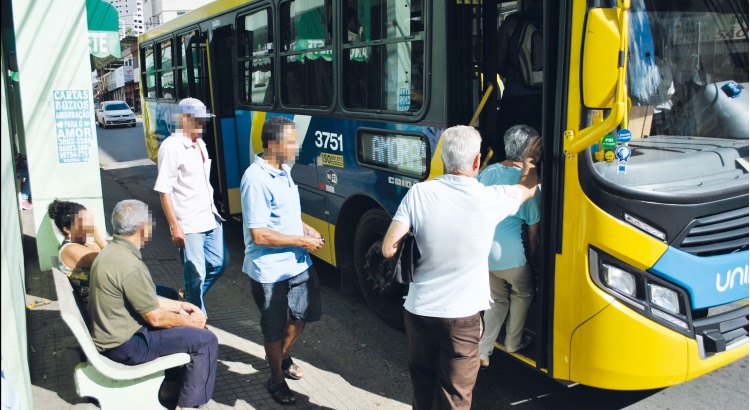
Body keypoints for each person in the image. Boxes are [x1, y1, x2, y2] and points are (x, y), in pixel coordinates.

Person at [382, 125, 541, 409]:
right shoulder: (489, 198)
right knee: (454, 397)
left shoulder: (419, 193)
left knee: (423, 389)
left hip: (418, 312)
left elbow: (388, 248)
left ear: (443, 158)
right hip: (461, 320)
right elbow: (528, 187)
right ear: (477, 161)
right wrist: (530, 162)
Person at [88, 199, 218, 410]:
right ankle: (188, 406)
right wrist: (190, 321)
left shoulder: (112, 252)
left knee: (175, 309)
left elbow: (144, 297)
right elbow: (155, 318)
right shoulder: (129, 264)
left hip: (114, 336)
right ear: (142, 229)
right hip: (126, 345)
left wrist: (178, 307)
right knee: (205, 340)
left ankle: (170, 387)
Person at [240, 116, 324, 406]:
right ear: (274, 144)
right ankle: (275, 379)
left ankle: (280, 354)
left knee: (302, 316)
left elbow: (284, 216)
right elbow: (259, 234)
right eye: (291, 142)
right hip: (270, 272)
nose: (296, 147)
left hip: (298, 264)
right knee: (273, 328)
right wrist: (302, 241)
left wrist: (304, 228)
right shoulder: (255, 179)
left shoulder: (284, 169)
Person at [154, 97, 229, 314]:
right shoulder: (171, 147)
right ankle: (197, 321)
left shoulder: (200, 144)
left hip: (210, 217)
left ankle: (186, 298)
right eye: (198, 120)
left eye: (204, 120)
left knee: (219, 263)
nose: (203, 125)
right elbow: (164, 190)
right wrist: (175, 226)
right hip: (189, 222)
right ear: (184, 119)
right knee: (196, 274)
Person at [477, 125, 542, 367]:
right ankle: (513, 341)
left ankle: (483, 350)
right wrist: (533, 262)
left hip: (486, 255)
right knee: (522, 293)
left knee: (497, 299)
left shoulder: (486, 173)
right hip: (513, 257)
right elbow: (534, 232)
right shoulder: (530, 185)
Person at [495, 0, 544, 157]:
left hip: (516, 97)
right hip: (547, 99)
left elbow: (498, 63)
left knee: (509, 145)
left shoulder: (511, 22)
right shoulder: (557, 22)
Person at [47, 200, 108, 314]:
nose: (90, 225)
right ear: (67, 229)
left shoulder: (82, 242)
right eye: (83, 222)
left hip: (104, 298)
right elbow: (114, 261)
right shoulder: (71, 250)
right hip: (101, 309)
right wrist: (97, 235)